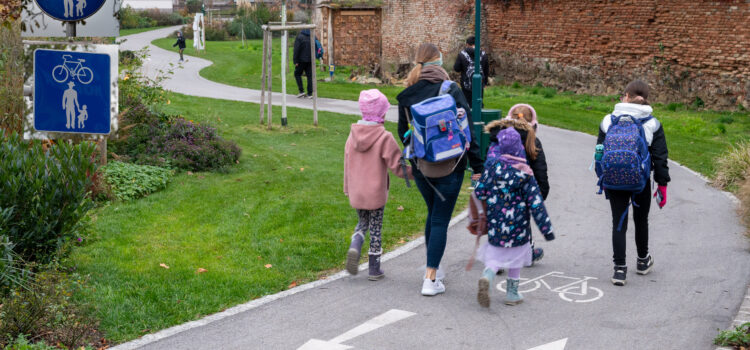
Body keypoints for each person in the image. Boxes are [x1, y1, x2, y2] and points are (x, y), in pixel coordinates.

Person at [396, 43, 484, 296]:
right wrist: (478, 165)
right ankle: (430, 278)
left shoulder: (408, 94)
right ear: (439, 62)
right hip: (451, 166)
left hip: (422, 167)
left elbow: (404, 134)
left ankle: (432, 269)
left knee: (433, 214)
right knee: (439, 220)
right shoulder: (450, 89)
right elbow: (468, 130)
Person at [597, 80, 669, 286]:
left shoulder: (608, 121)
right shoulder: (652, 123)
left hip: (613, 179)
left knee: (618, 222)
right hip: (640, 180)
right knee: (641, 219)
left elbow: (599, 152)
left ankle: (619, 270)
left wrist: (602, 177)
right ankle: (642, 261)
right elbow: (660, 157)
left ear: (626, 96)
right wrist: (662, 183)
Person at [474, 127, 555, 308]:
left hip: (496, 223)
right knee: (516, 259)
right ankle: (512, 293)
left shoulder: (492, 168)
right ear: (519, 147)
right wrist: (546, 230)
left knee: (496, 256)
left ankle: (488, 275)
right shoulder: (525, 173)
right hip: (519, 226)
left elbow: (479, 192)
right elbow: (536, 204)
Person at [344, 89, 413, 281]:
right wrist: (415, 174)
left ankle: (355, 245)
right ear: (382, 113)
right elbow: (397, 164)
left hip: (357, 191)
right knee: (375, 227)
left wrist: (347, 188)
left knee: (362, 223)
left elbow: (347, 163)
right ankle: (374, 269)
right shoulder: (384, 137)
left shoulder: (352, 136)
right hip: (375, 193)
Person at [485, 103, 549, 264]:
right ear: (533, 124)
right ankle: (525, 254)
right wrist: (541, 193)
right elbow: (540, 170)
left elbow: (488, 162)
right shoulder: (532, 140)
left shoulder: (496, 135)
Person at [453, 36, 489, 106]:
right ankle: (479, 116)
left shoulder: (462, 54)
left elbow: (456, 68)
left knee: (466, 103)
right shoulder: (483, 54)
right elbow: (486, 70)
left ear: (467, 44)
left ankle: (469, 116)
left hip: (466, 84)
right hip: (479, 83)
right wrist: (485, 82)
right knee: (478, 103)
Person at [293, 29, 314, 98]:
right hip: (310, 60)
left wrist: (295, 61)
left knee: (297, 74)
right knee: (310, 76)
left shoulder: (299, 37)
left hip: (301, 60)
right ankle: (310, 93)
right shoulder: (312, 36)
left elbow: (296, 49)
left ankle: (301, 91)